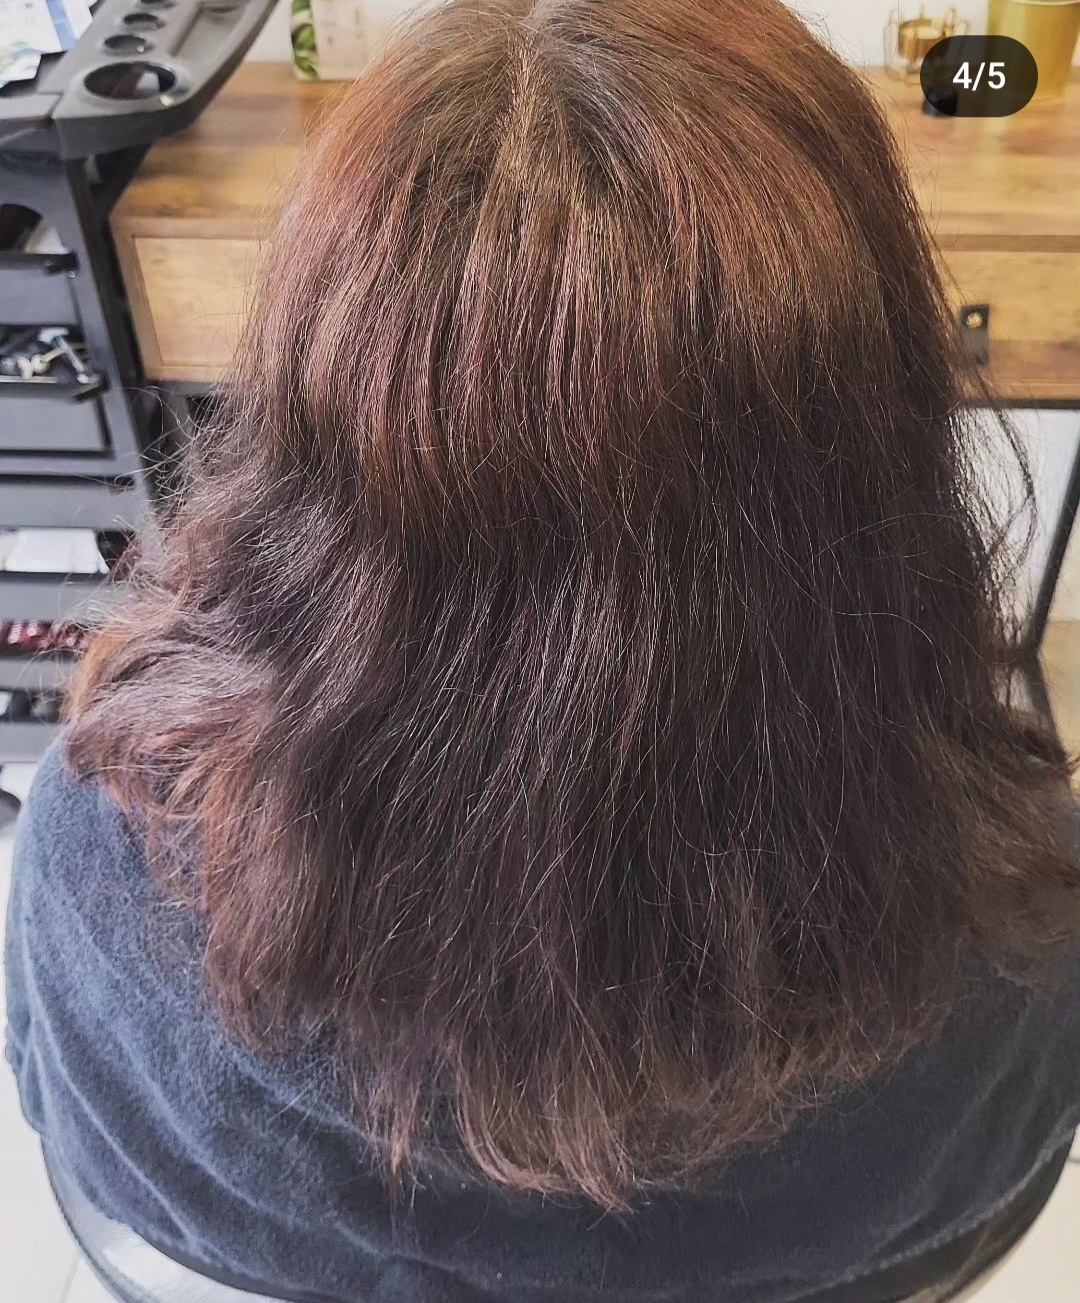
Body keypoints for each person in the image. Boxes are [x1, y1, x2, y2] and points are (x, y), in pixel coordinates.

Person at [6, 1, 1080, 1300]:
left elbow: (79, 1135)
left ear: (314, 401)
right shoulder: (1020, 927)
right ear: (881, 427)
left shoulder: (105, 862)